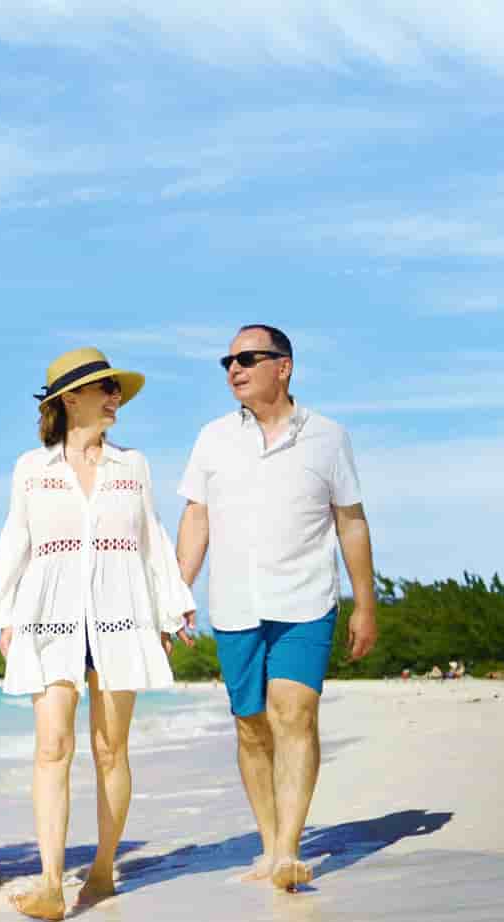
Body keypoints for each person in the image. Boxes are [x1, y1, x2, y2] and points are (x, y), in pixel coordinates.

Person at [0, 347, 197, 921]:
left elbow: (152, 539)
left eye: (116, 388)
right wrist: (2, 615)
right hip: (49, 615)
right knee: (52, 745)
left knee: (110, 748)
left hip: (120, 613)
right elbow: (15, 540)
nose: (114, 397)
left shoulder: (134, 466)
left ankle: (102, 869)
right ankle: (51, 883)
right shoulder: (32, 468)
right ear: (68, 399)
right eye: (104, 387)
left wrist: (173, 608)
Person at [175, 325, 379, 892]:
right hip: (235, 605)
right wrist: (178, 591)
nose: (233, 369)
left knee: (294, 713)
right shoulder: (212, 439)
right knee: (250, 727)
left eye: (246, 358)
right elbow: (197, 520)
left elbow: (351, 522)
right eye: (228, 361)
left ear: (282, 366)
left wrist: (365, 603)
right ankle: (269, 845)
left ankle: (289, 849)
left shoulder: (329, 438)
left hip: (306, 600)